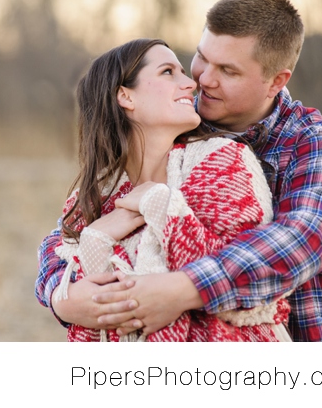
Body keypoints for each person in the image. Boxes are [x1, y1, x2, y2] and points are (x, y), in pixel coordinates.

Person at [36, 0, 322, 342]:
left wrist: (178, 290)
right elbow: (67, 233)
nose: (201, 79)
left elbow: (302, 239)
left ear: (276, 81)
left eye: (227, 70)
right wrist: (61, 296)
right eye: (202, 57)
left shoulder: (316, 142)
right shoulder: (178, 125)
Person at [52, 37, 291, 341]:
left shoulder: (220, 161)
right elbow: (94, 328)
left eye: (182, 70)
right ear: (125, 96)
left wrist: (162, 207)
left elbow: (250, 291)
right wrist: (95, 241)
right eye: (168, 72)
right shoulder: (94, 197)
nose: (191, 84)